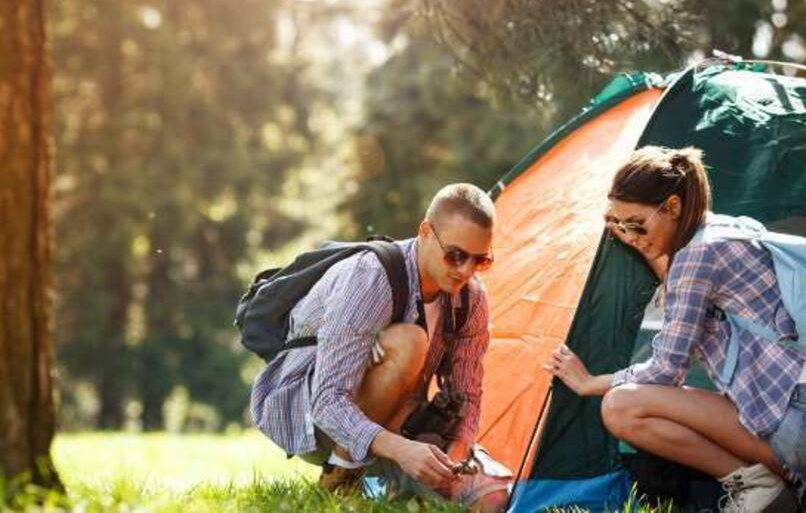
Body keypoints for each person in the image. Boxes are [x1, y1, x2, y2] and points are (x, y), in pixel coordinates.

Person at [546, 146, 806, 513]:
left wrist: (591, 382)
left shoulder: (695, 258)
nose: (629, 235)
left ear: (672, 207)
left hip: (795, 423)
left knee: (620, 405)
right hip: (794, 408)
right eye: (620, 225)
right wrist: (644, 238)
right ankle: (769, 487)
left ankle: (759, 487)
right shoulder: (726, 230)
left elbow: (667, 370)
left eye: (636, 223)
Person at [251, 183, 510, 511]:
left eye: (480, 260)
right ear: (426, 232)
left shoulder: (471, 297)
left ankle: (384, 483)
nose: (466, 271)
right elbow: (327, 401)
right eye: (456, 255)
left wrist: (456, 456)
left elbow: (468, 395)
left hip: (401, 422)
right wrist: (402, 450)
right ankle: (341, 479)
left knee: (492, 498)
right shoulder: (372, 276)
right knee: (410, 343)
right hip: (314, 419)